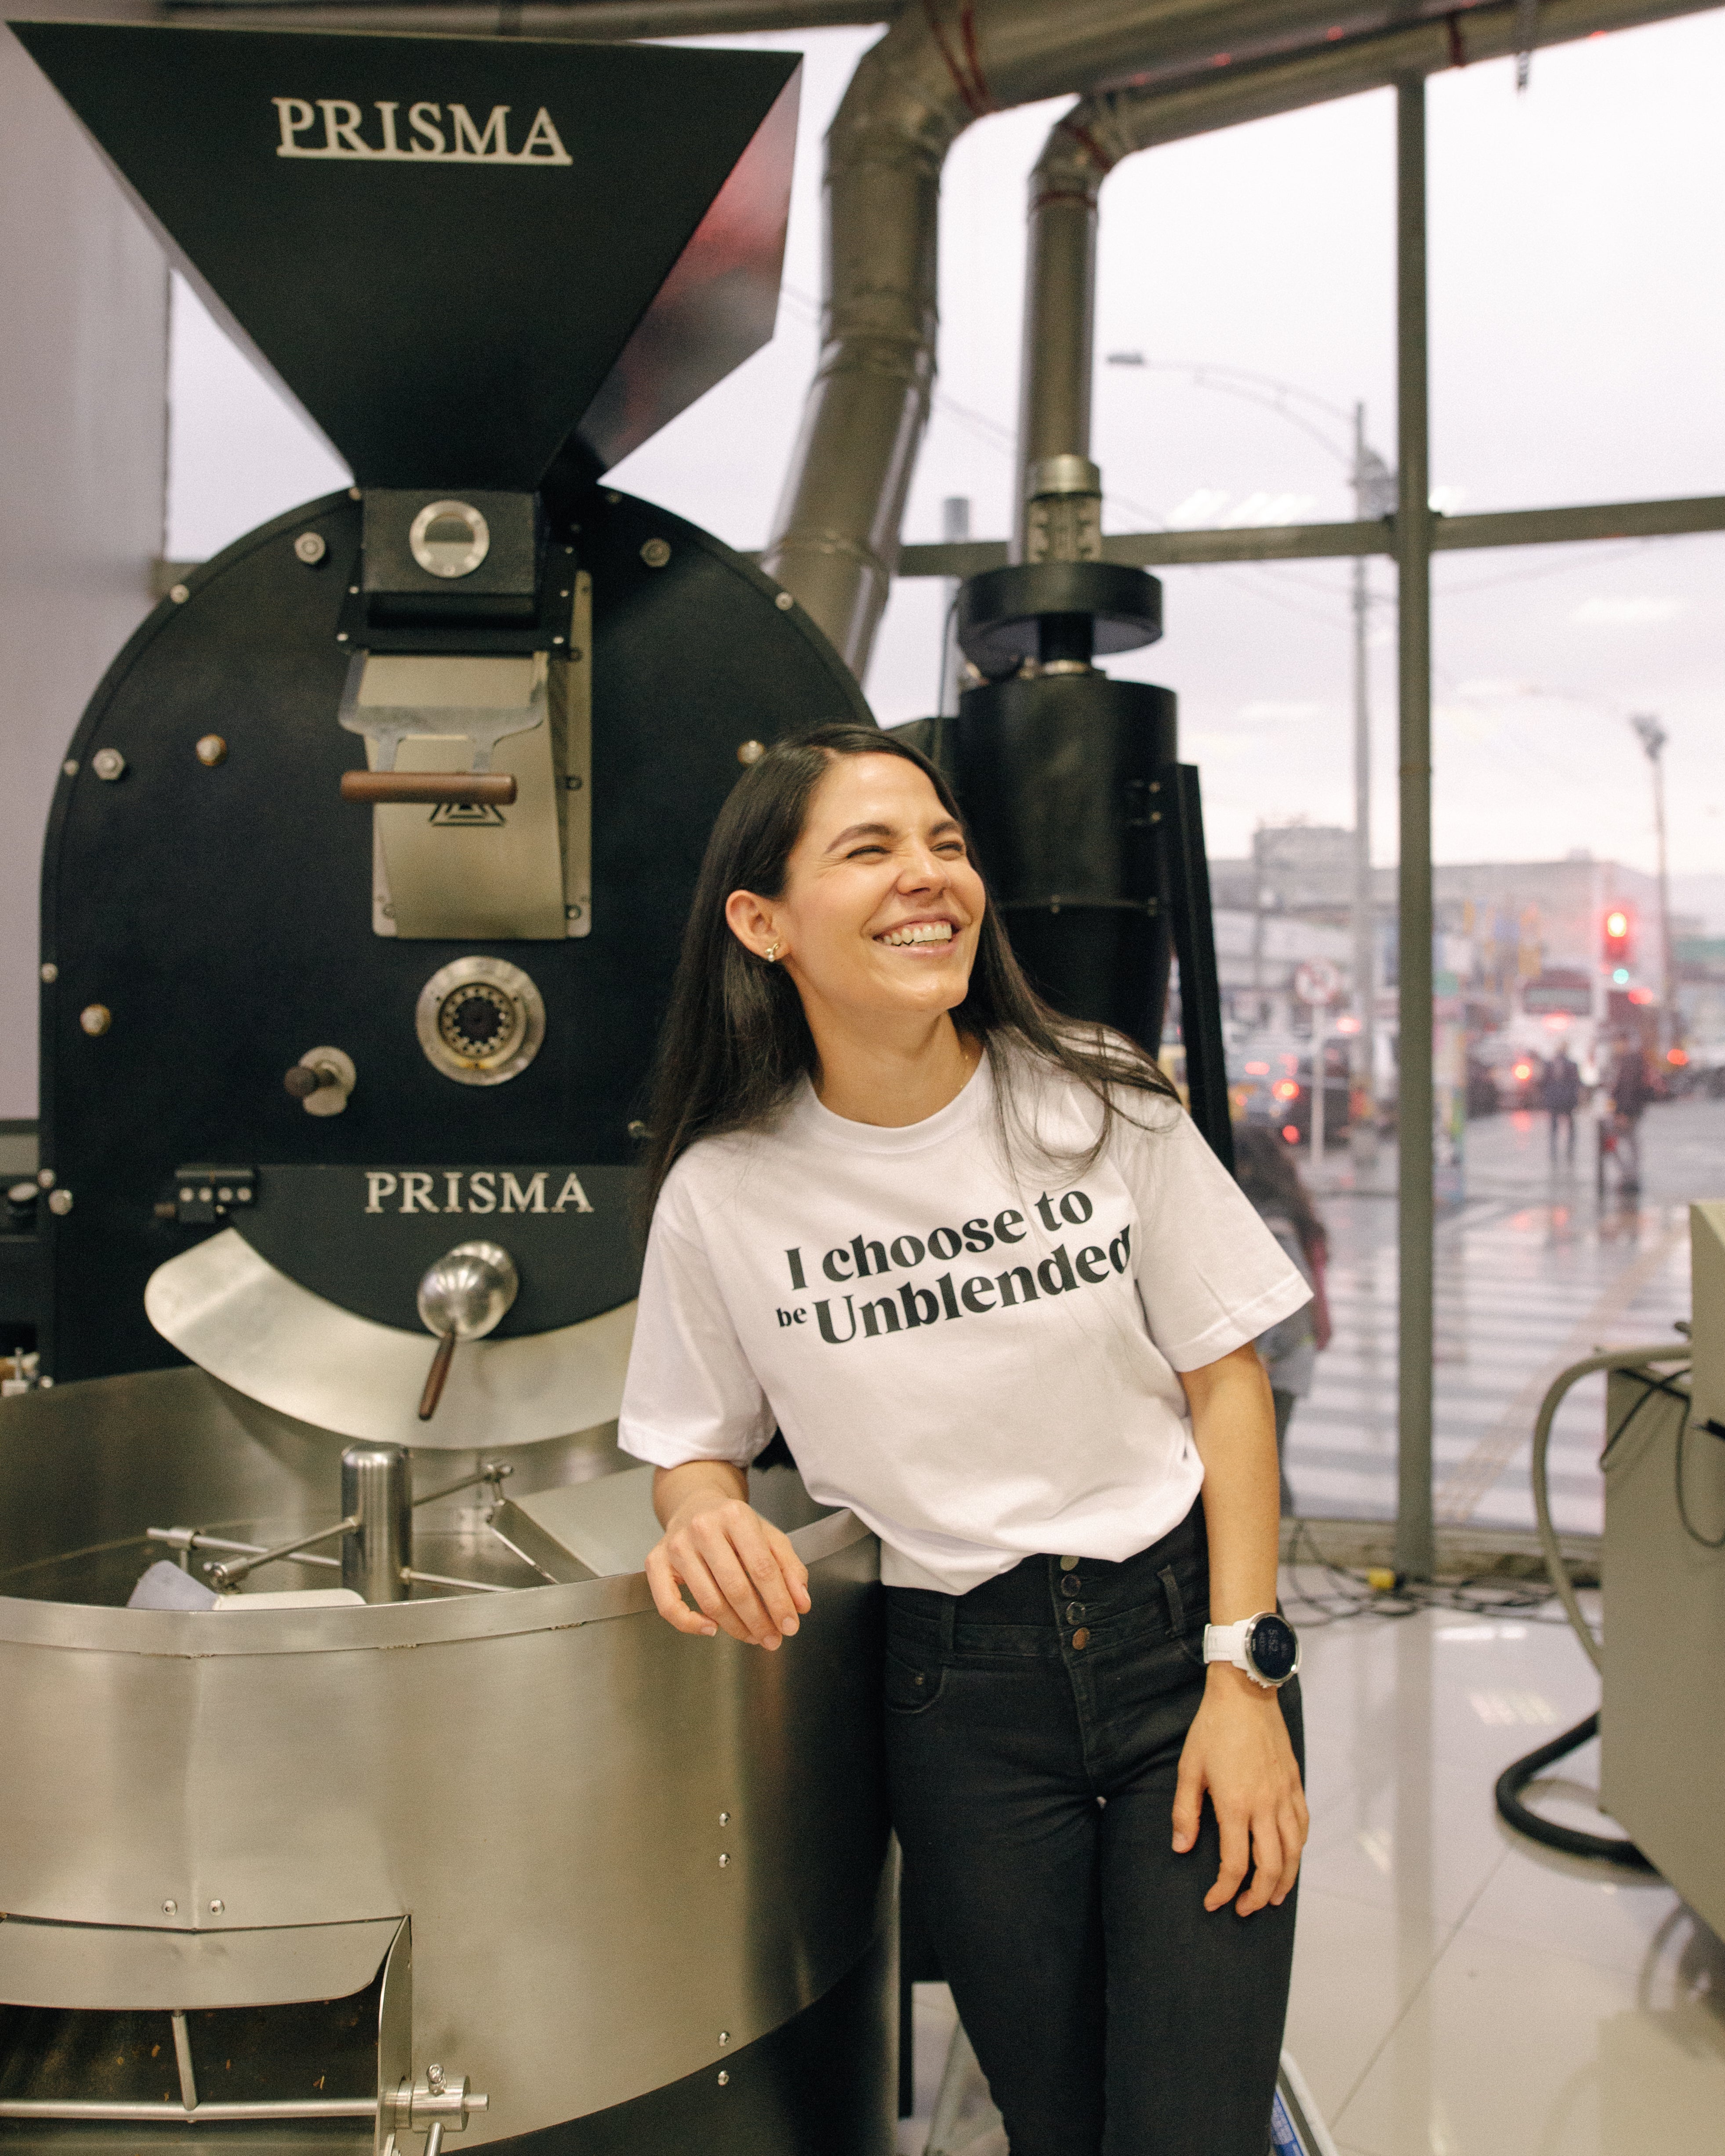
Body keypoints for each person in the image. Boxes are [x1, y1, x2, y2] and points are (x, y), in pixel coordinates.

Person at [618, 725, 1312, 2156]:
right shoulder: (725, 1190)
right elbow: (693, 1440)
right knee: (1057, 2124)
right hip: (957, 1695)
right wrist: (699, 1512)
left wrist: (1243, 1673)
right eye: (867, 850)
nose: (926, 877)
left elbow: (1225, 1382)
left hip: (1179, 1649)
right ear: (762, 922)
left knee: (1185, 2127)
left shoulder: (1095, 1093)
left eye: (941, 842)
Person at [1231, 1126, 1332, 1516]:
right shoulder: (1288, 1208)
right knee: (1266, 1464)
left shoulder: (1269, 1220)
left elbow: (1292, 1297)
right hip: (1289, 1359)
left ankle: (1277, 1548)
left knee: (1262, 1469)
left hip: (1276, 1365)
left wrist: (1264, 1355)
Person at [1610, 1037, 1651, 1193]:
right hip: (1634, 1111)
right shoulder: (1634, 1061)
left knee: (1615, 1142)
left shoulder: (1629, 1062)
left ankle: (1629, 1177)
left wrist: (1622, 1113)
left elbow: (1627, 1090)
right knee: (1630, 1144)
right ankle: (1630, 1176)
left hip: (1627, 1112)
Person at [1543, 1044, 1581, 1164]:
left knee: (1556, 1127)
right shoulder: (1571, 1065)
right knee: (1567, 1126)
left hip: (1558, 1101)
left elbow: (1543, 1083)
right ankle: (1566, 1149)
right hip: (1566, 1101)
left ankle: (1557, 1150)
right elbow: (1577, 1083)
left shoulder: (1551, 1065)